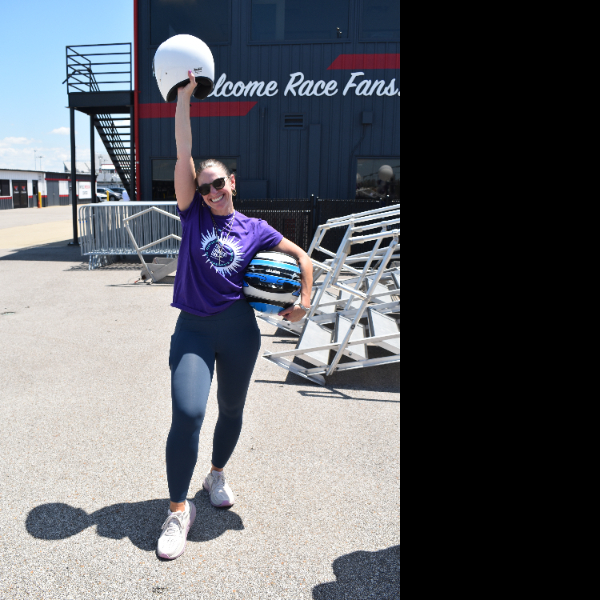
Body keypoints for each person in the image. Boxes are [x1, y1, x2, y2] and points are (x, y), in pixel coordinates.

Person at [156, 71, 313, 560]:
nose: (212, 192)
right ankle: (178, 510)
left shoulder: (256, 228)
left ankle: (216, 475)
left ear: (232, 183)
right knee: (188, 413)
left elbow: (304, 258)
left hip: (240, 331)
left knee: (231, 410)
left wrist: (302, 302)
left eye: (219, 183)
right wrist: (184, 98)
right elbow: (183, 150)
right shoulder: (193, 213)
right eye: (205, 187)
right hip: (194, 329)